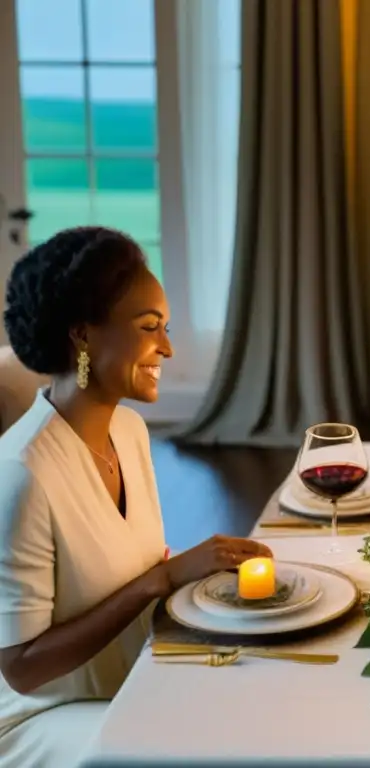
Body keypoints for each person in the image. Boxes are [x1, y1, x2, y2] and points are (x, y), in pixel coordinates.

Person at [0, 227, 273, 767]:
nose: (167, 347)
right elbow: (21, 667)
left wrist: (205, 579)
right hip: (47, 717)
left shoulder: (129, 432)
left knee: (266, 701)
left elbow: (142, 569)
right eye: (150, 328)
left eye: (166, 327)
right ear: (83, 334)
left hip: (132, 680)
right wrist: (161, 579)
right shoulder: (21, 472)